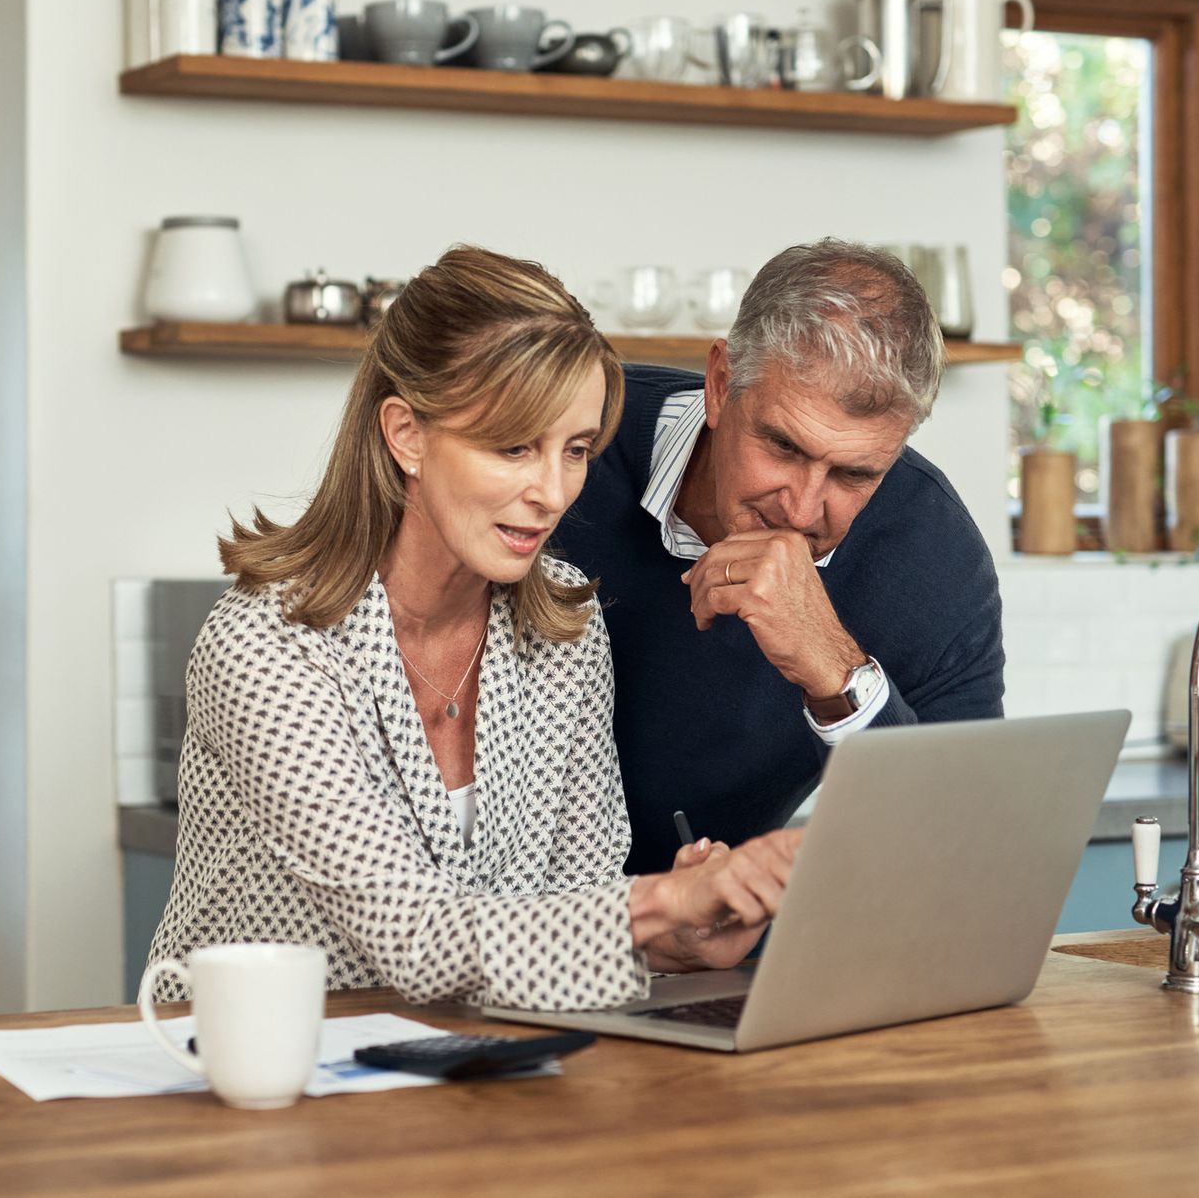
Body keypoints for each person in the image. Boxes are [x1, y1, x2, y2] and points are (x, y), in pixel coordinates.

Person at [147, 246, 803, 1010]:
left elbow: (575, 899)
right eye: (513, 446)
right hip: (256, 1074)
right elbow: (414, 936)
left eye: (577, 450)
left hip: (471, 1075)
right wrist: (661, 905)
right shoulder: (266, 646)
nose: (553, 491)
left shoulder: (565, 631)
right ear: (407, 435)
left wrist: (672, 942)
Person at [553, 239, 1005, 876]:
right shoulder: (571, 448)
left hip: (720, 941)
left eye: (853, 474)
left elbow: (962, 851)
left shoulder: (933, 555)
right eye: (784, 447)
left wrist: (836, 673)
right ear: (719, 383)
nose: (801, 509)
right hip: (508, 930)